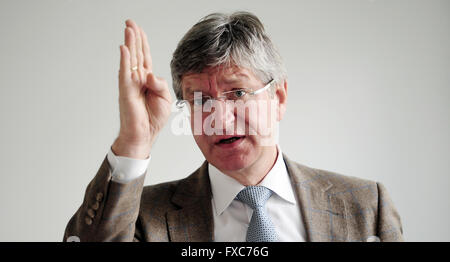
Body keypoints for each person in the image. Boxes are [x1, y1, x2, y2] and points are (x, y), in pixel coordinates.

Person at [64, 11, 403, 242]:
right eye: (200, 100)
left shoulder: (366, 206)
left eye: (238, 92)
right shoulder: (141, 217)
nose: (220, 119)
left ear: (279, 97)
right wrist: (134, 141)